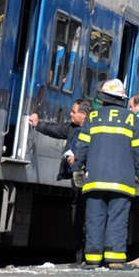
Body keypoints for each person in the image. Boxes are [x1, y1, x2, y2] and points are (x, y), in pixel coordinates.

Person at [72, 79, 139, 269]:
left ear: (103, 97)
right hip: (122, 181)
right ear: (122, 98)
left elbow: (82, 146)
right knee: (118, 220)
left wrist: (78, 168)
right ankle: (115, 260)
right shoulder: (132, 119)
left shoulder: (93, 117)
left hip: (94, 179)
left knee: (94, 219)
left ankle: (93, 260)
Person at [29, 99, 92, 263]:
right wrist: (38, 124)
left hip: (89, 179)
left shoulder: (94, 129)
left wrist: (80, 160)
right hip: (76, 180)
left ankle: (89, 258)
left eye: (73, 111)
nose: (70, 114)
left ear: (83, 115)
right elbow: (56, 129)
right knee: (76, 217)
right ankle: (80, 258)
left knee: (88, 218)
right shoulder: (72, 128)